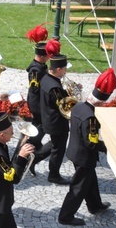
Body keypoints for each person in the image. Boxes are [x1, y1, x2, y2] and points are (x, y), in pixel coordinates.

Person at [58, 69, 116, 226]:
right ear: (99, 102)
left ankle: (95, 205)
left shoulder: (78, 107)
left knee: (91, 180)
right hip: (84, 157)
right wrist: (106, 146)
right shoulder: (91, 117)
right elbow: (91, 142)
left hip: (75, 152)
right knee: (78, 188)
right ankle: (65, 216)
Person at [0, 93, 35, 228]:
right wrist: (21, 157)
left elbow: (7, 166)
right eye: (10, 133)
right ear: (1, 135)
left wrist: (20, 148)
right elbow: (13, 177)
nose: (13, 135)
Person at [25, 35, 59, 176]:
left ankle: (32, 150)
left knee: (39, 130)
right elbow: (35, 90)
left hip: (38, 105)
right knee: (39, 130)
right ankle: (28, 153)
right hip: (38, 106)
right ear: (43, 56)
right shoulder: (36, 70)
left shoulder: (40, 67)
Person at [40, 53, 72, 185]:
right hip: (57, 123)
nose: (66, 71)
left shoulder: (46, 78)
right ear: (59, 69)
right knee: (58, 149)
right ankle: (53, 175)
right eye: (65, 68)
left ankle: (34, 159)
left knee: (54, 144)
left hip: (49, 118)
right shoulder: (55, 88)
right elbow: (64, 107)